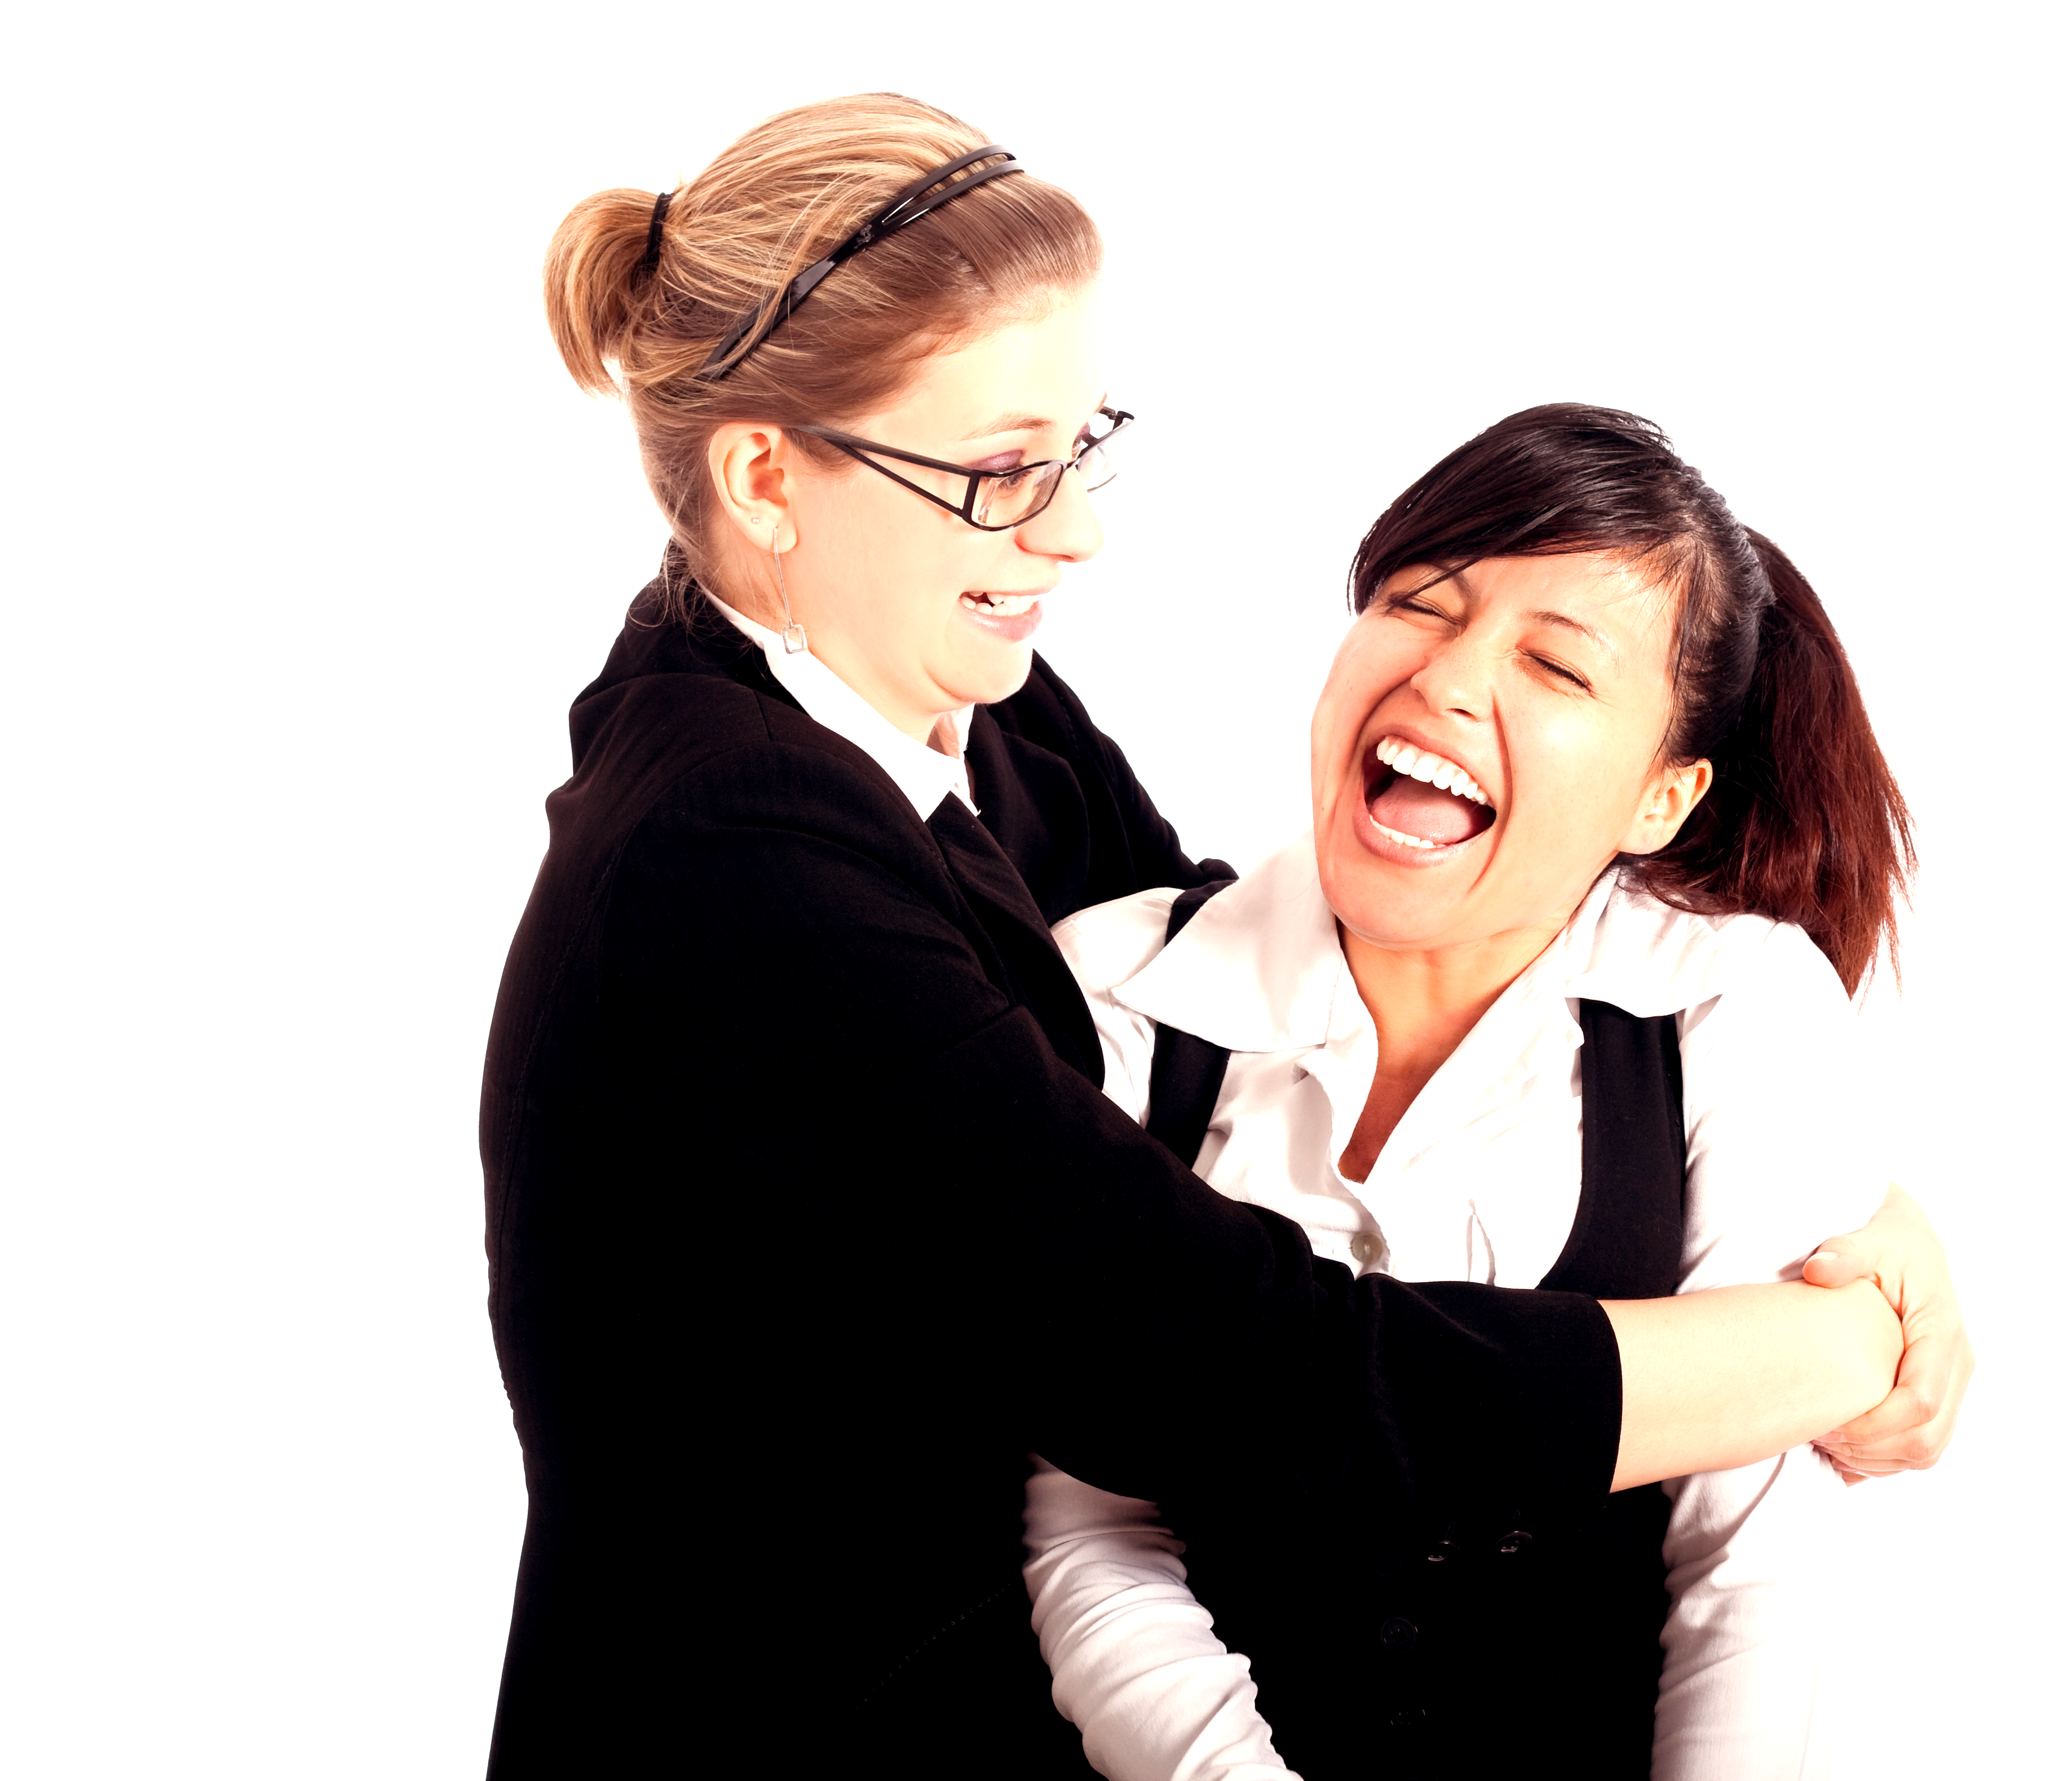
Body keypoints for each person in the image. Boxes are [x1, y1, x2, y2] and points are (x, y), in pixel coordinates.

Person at [491, 92, 1972, 1775]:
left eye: (1078, 443)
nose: (1075, 529)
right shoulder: (730, 853)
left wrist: (1842, 1185)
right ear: (764, 476)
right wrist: (1838, 1338)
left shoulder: (959, 704)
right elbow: (1248, 1382)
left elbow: (1229, 949)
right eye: (997, 471)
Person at [1025, 406, 1916, 1779]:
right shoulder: (1120, 988)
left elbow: (1749, 1564)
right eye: (1417, 605)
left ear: (1663, 798)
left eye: (1556, 666)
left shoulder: (1735, 1007)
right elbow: (1095, 1526)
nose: (1447, 681)